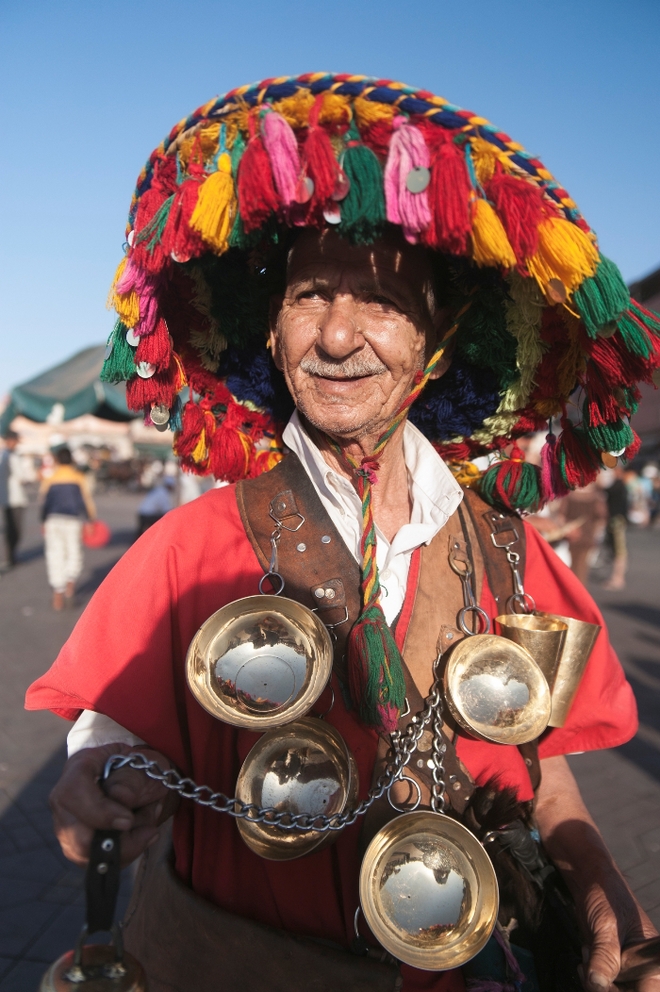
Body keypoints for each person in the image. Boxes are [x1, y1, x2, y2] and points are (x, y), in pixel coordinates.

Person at [25, 74, 660, 992]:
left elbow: (547, 785)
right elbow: (106, 745)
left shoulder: (512, 555)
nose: (337, 336)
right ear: (274, 335)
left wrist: (602, 887)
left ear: (438, 339)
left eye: (386, 303)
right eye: (309, 297)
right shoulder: (187, 551)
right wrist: (106, 783)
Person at [40, 446, 96, 610]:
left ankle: (57, 594)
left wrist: (43, 521)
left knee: (54, 554)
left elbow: (45, 502)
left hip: (54, 520)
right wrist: (90, 520)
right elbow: (85, 501)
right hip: (73, 521)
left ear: (56, 460)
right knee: (73, 552)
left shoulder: (50, 478)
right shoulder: (79, 477)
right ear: (72, 460)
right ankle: (70, 587)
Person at [0, 430, 28, 568]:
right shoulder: (11, 457)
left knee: (11, 529)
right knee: (14, 529)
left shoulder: (3, 456)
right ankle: (10, 557)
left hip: (6, 498)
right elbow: (21, 477)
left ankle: (10, 556)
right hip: (15, 498)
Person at [603, 466, 629, 591]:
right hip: (617, 520)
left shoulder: (618, 486)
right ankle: (617, 577)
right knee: (616, 550)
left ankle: (618, 578)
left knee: (619, 550)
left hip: (617, 521)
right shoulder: (620, 485)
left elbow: (606, 490)